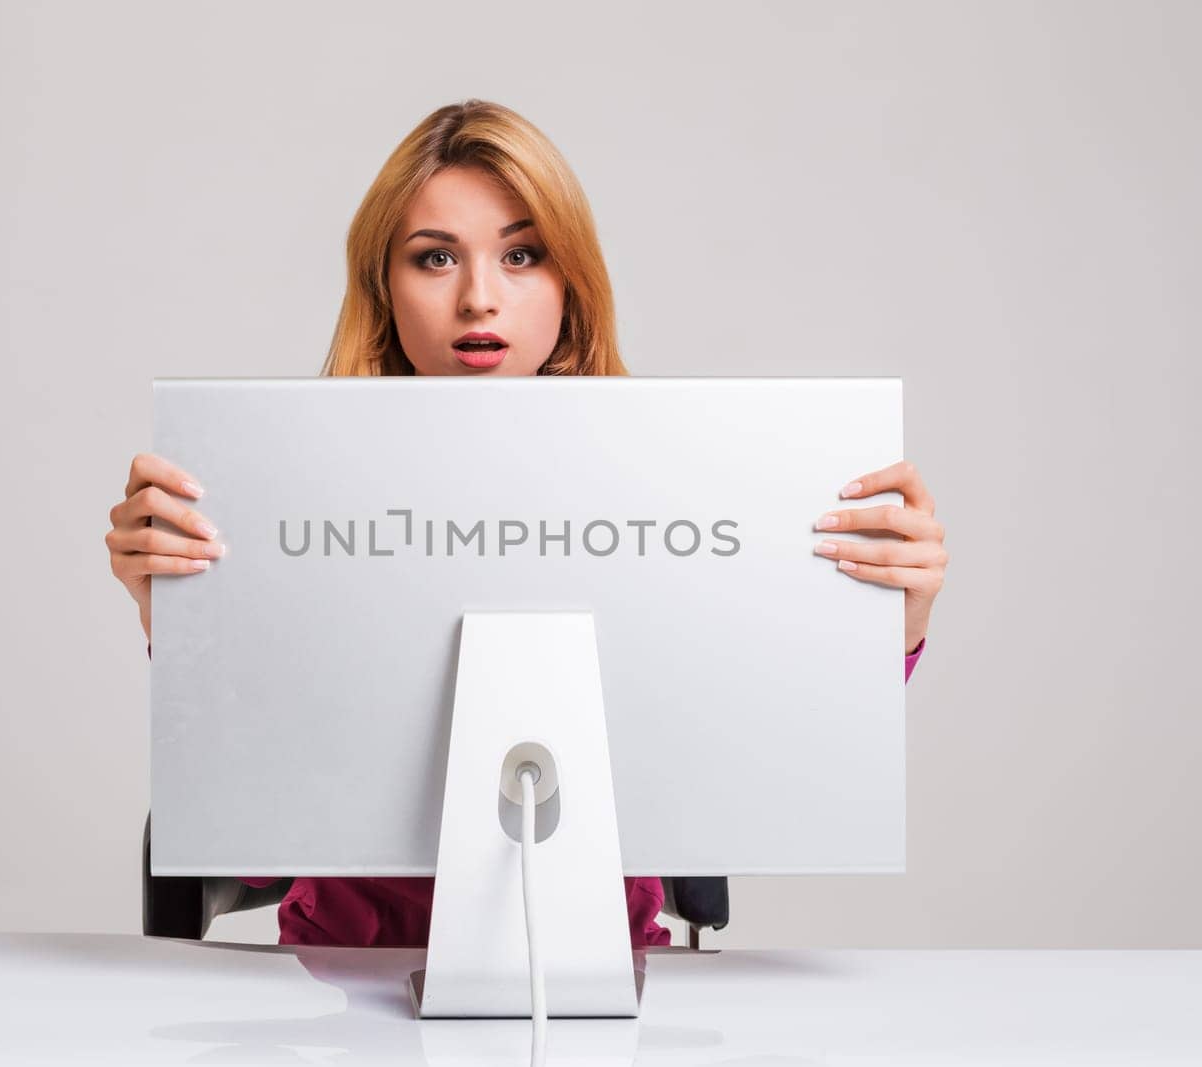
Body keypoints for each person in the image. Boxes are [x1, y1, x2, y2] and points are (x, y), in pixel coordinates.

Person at [105, 99, 949, 948]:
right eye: (435, 257)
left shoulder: (678, 488)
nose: (480, 297)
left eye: (521, 255)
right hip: (337, 983)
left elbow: (772, 774)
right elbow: (255, 844)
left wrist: (885, 632)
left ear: (569, 281)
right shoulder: (277, 495)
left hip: (612, 977)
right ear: (383, 288)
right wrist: (181, 622)